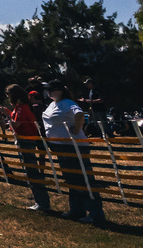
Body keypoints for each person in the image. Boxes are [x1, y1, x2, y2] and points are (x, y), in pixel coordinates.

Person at [42, 80, 105, 224]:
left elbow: (80, 114)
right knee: (71, 179)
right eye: (47, 90)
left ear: (60, 90)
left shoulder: (68, 103)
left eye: (51, 89)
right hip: (60, 146)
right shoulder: (53, 104)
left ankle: (95, 214)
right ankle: (77, 210)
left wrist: (77, 129)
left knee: (83, 179)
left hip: (74, 146)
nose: (48, 92)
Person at [6, 84, 51, 213]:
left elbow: (17, 123)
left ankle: (42, 202)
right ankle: (39, 200)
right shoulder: (20, 107)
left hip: (26, 139)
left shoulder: (22, 107)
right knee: (29, 170)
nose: (8, 97)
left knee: (31, 171)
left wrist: (7, 117)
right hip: (25, 139)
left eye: (8, 95)